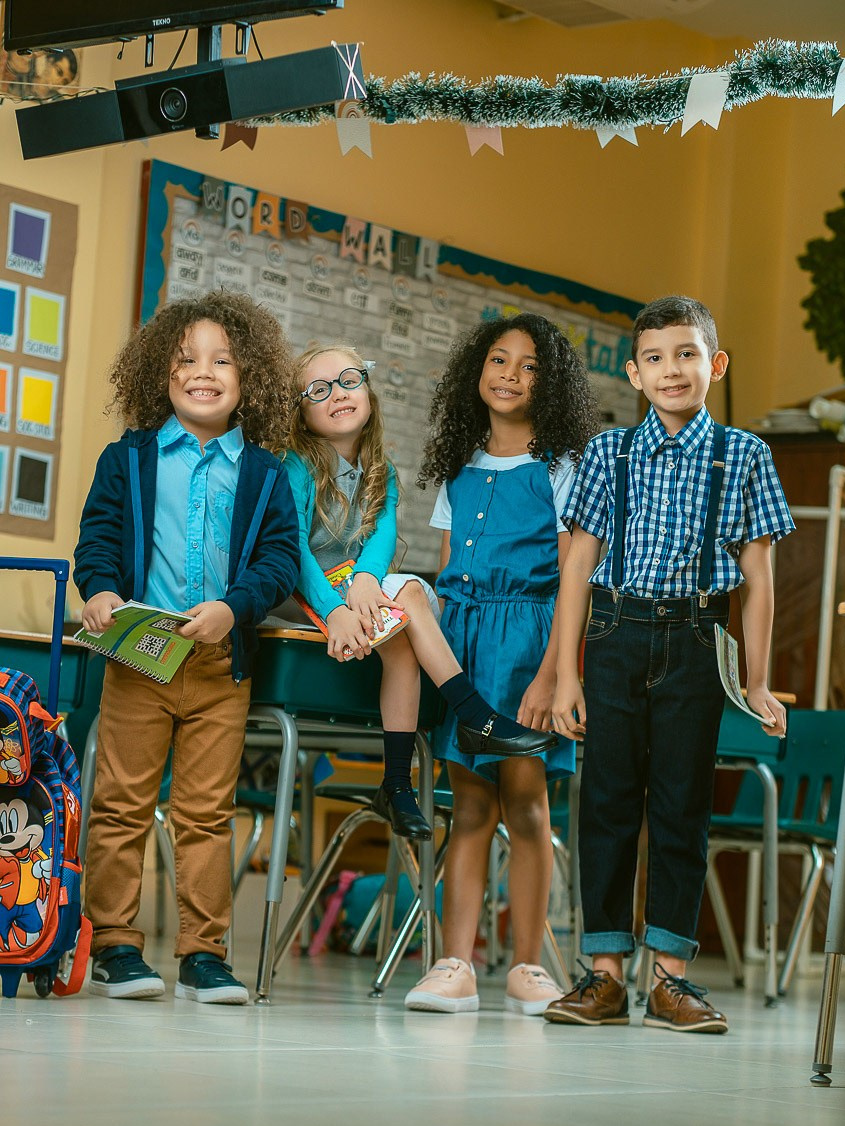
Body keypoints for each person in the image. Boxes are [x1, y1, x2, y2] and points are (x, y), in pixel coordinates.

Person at [547, 294, 794, 1033]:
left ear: (713, 364)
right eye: (654, 357)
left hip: (695, 640)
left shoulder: (744, 454)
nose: (671, 369)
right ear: (633, 372)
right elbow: (576, 569)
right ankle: (603, 974)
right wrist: (565, 673)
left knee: (681, 805)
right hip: (615, 635)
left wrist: (753, 680)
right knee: (608, 803)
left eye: (686, 354)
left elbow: (757, 580)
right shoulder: (608, 452)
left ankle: (671, 980)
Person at [74, 291, 300, 1004]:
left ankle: (204, 956)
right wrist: (102, 591)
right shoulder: (128, 457)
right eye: (186, 360)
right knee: (120, 805)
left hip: (218, 666)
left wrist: (234, 610)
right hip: (139, 657)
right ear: (159, 373)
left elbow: (278, 562)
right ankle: (113, 944)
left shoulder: (266, 472)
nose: (203, 372)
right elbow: (99, 539)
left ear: (250, 376)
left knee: (207, 813)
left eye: (221, 360)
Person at [282, 342, 556, 843]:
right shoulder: (295, 466)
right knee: (407, 598)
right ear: (301, 412)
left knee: (404, 621)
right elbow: (292, 551)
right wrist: (334, 610)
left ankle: (395, 784)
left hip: (361, 592)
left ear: (367, 391)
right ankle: (473, 714)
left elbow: (382, 536)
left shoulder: (380, 469)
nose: (337, 394)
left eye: (348, 380)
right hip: (310, 597)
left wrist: (366, 580)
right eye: (318, 389)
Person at [405, 313, 597, 1015]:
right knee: (469, 808)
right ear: (474, 373)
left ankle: (525, 966)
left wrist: (552, 671)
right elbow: (450, 565)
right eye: (497, 360)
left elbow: (573, 581)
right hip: (463, 647)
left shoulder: (560, 467)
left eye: (528, 366)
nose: (510, 375)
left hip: (529, 644)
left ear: (550, 387)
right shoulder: (456, 468)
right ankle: (453, 964)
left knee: (527, 803)